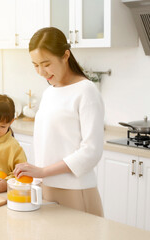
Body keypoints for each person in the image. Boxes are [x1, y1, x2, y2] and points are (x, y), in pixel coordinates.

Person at [13, 27, 104, 217]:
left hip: (75, 190)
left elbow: (91, 152)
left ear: (65, 55)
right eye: (35, 65)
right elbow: (47, 143)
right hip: (47, 187)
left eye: (46, 64)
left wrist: (43, 171)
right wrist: (38, 177)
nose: (40, 71)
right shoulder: (50, 92)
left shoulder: (86, 91)